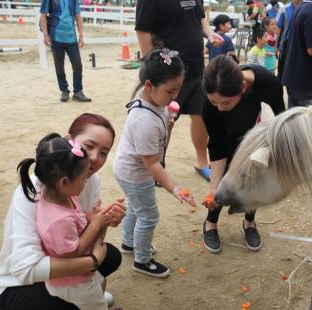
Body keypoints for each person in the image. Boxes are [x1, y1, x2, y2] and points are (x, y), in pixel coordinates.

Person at [0, 113, 125, 309]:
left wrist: (104, 219)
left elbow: (86, 231)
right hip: (18, 281)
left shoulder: (89, 180)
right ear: (68, 141)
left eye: (104, 152)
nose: (94, 158)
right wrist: (93, 261)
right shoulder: (33, 191)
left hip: (65, 259)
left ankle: (86, 292)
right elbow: (25, 269)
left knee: (112, 256)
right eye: (89, 146)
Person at [114, 49, 197, 278]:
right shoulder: (144, 120)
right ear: (149, 86)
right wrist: (174, 188)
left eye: (178, 88)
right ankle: (142, 260)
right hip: (135, 174)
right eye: (171, 90)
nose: (175, 95)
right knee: (149, 216)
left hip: (129, 169)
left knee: (136, 207)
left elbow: (160, 149)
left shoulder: (153, 103)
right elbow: (152, 163)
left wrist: (168, 124)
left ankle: (129, 242)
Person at [17, 134, 113, 309]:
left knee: (97, 290)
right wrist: (96, 224)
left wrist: (90, 215)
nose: (86, 181)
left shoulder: (61, 197)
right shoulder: (58, 220)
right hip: (74, 282)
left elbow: (76, 214)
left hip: (75, 277)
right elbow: (73, 252)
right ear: (64, 182)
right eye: (83, 177)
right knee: (95, 306)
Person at [201, 55, 285, 254]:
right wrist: (214, 187)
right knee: (221, 184)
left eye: (226, 103)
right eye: (214, 102)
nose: (220, 108)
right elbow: (217, 143)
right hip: (227, 140)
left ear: (243, 88)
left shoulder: (268, 83)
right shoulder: (209, 101)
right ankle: (210, 223)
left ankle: (249, 222)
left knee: (255, 179)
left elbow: (281, 118)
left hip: (256, 137)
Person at [135, 0, 224, 183]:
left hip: (196, 68)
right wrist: (152, 68)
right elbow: (143, 30)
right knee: (165, 120)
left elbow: (200, 17)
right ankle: (157, 166)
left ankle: (201, 162)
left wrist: (209, 34)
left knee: (201, 115)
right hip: (169, 73)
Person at [40, 0, 92, 102]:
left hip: (71, 38)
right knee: (59, 65)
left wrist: (81, 35)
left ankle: (78, 92)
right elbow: (43, 15)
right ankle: (64, 90)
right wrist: (45, 35)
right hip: (55, 37)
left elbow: (78, 16)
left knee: (77, 64)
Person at [276, 0, 302, 81]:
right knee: (281, 73)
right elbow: (278, 29)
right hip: (286, 45)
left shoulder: (307, 8)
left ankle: (292, 93)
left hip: (300, 46)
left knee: (296, 73)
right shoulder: (284, 9)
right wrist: (276, 46)